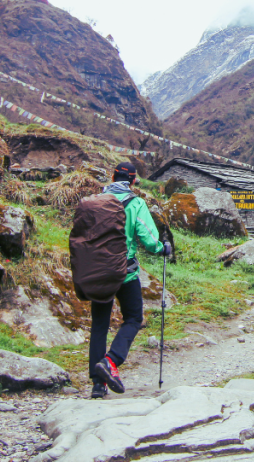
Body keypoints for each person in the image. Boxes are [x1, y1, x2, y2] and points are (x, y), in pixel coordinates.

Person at [89, 162, 171, 398]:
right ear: (133, 181)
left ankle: (98, 384)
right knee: (134, 319)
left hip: (97, 272)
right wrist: (162, 247)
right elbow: (148, 239)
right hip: (125, 273)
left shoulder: (95, 200)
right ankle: (110, 362)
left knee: (99, 325)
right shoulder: (135, 203)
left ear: (112, 176)